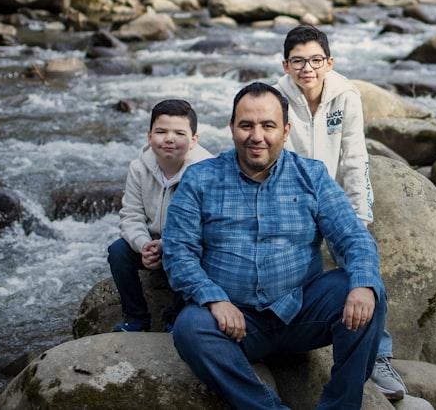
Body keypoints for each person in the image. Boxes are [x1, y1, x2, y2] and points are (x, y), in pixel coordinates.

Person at [163, 83, 386, 409]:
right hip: (233, 323)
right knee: (190, 328)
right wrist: (213, 299)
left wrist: (365, 282)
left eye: (268, 126)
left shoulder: (311, 176)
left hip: (302, 313)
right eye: (246, 125)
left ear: (285, 130)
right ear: (232, 128)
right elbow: (178, 252)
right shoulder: (200, 179)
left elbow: (353, 237)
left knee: (368, 292)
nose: (257, 136)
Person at [275, 25, 407, 399]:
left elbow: (355, 159)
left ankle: (378, 355)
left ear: (328, 62)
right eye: (298, 61)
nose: (308, 69)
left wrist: (359, 217)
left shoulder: (345, 95)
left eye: (316, 60)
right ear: (286, 65)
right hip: (292, 198)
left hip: (332, 195)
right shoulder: (275, 97)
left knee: (361, 263)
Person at [107, 98, 213, 332]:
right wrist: (143, 245)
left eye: (179, 133)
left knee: (204, 251)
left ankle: (176, 317)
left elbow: (206, 225)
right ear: (149, 136)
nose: (169, 139)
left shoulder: (206, 171)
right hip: (151, 243)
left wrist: (168, 244)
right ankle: (136, 318)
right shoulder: (138, 168)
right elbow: (131, 215)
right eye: (161, 131)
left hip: (187, 245)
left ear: (194, 140)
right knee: (117, 251)